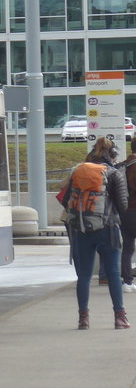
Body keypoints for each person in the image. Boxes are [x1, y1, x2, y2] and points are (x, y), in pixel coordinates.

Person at [62, 137, 129, 330]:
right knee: (114, 273)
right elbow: (123, 206)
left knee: (83, 275)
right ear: (113, 155)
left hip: (81, 229)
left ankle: (83, 319)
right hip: (108, 229)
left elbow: (65, 200)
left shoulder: (78, 171)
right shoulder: (114, 174)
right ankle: (120, 317)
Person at [121, 137, 136, 294]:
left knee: (127, 247)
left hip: (124, 210)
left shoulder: (124, 164)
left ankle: (127, 282)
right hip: (135, 208)